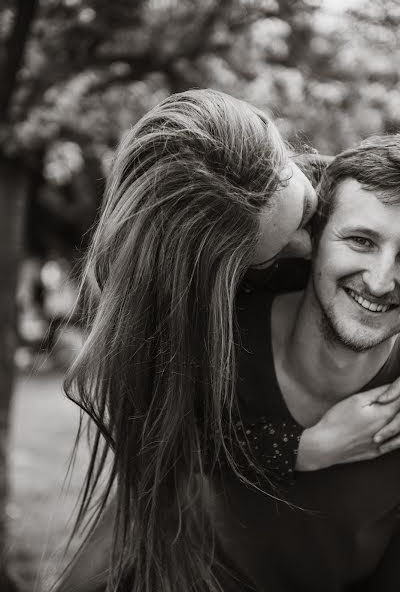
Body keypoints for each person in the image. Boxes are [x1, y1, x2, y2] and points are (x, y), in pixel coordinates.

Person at [57, 92, 400, 592]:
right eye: (269, 254)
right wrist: (298, 449)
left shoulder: (347, 190)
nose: (303, 247)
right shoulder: (205, 327)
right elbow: (165, 454)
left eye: (307, 212)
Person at [213, 134, 400, 591]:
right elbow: (160, 449)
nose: (380, 281)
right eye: (360, 240)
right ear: (312, 238)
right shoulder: (220, 334)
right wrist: (301, 448)